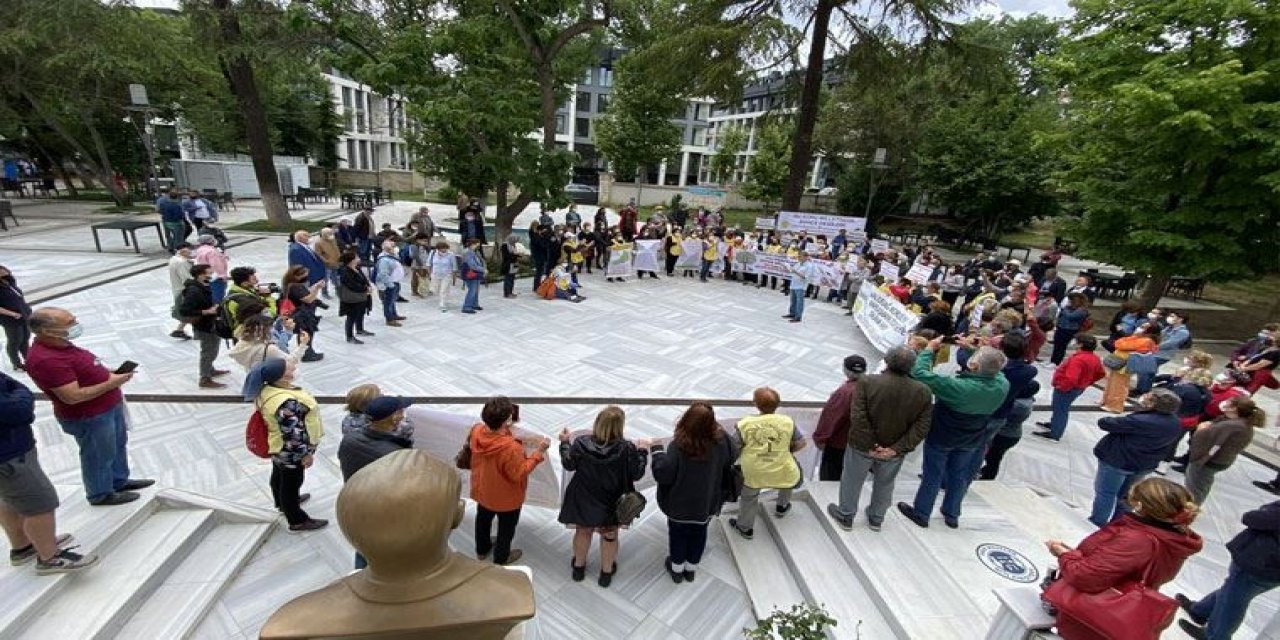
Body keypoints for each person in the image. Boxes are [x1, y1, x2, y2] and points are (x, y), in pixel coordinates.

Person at [1044, 478, 1202, 640]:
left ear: (1140, 506)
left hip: (1094, 617)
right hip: (1122, 610)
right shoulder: (1175, 536)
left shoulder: (1138, 539)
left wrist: (1063, 554)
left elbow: (1086, 577)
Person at [25, 308, 153, 506]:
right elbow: (72, 396)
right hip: (89, 415)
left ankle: (118, 480)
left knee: (116, 446)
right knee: (98, 453)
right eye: (69, 322)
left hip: (107, 407)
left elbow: (82, 371)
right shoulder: (46, 359)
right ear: (47, 331)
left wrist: (106, 373)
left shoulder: (62, 345)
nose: (75, 324)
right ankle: (100, 493)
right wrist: (113, 382)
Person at [897, 342, 1009, 530]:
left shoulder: (958, 386)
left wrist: (928, 351)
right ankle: (952, 514)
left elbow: (920, 373)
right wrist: (976, 351)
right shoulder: (1002, 384)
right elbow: (994, 367)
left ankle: (922, 513)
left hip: (943, 435)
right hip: (972, 437)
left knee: (933, 474)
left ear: (974, 366)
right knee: (959, 475)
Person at [827, 346, 933, 532]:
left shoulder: (867, 382)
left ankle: (846, 515)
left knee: (852, 480)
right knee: (885, 483)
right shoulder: (922, 390)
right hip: (893, 451)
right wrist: (896, 448)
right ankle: (877, 518)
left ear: (887, 360)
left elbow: (858, 415)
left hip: (862, 446)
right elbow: (921, 425)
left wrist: (871, 444)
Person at [0, 371, 96, 574]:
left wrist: (15, 391)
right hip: (9, 457)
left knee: (9, 500)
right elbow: (19, 409)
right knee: (40, 503)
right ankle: (49, 556)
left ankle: (23, 546)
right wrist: (21, 393)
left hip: (10, 451)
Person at [646, 402, 736, 584]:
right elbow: (732, 457)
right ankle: (690, 569)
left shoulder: (678, 446)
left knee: (678, 536)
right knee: (700, 533)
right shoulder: (722, 441)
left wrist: (656, 451)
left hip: (679, 505)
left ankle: (676, 569)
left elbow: (664, 474)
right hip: (708, 503)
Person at [557, 406, 646, 587]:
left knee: (583, 531)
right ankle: (606, 573)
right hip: (613, 500)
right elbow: (637, 474)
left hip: (584, 497)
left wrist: (565, 442)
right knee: (610, 535)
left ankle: (579, 568)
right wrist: (643, 451)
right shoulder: (627, 448)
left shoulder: (581, 443)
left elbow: (568, 464)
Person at [1178, 501, 1280, 640]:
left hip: (1260, 561)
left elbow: (1252, 518)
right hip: (1270, 568)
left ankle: (1216, 636)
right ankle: (1200, 611)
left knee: (1234, 598)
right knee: (1233, 589)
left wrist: (1268, 509)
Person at [246, 358, 326, 532]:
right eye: (290, 368)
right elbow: (293, 433)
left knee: (279, 475)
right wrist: (305, 454)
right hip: (289, 449)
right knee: (292, 482)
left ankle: (281, 502)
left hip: (277, 446)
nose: (294, 368)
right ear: (282, 376)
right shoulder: (286, 402)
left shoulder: (268, 389)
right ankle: (296, 519)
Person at [468, 396, 548, 565]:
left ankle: (481, 551)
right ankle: (501, 558)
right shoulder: (511, 448)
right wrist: (538, 453)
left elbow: (495, 440)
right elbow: (519, 473)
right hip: (507, 499)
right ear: (507, 420)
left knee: (482, 520)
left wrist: (508, 430)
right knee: (506, 529)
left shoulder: (476, 430)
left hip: (483, 490)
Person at [337, 395, 414, 568]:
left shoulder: (350, 439)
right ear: (395, 418)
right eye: (401, 411)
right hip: (384, 513)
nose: (404, 414)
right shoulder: (395, 454)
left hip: (355, 504)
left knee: (364, 550)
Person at [1089, 388, 1183, 527]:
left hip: (1119, 461)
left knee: (1106, 493)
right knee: (1127, 497)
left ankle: (1097, 521)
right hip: (1144, 464)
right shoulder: (1175, 422)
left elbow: (1106, 423)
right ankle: (1118, 525)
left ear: (1154, 404)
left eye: (1149, 397)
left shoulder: (1141, 420)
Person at [728, 388, 805, 539]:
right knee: (789, 475)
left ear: (755, 404)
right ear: (777, 404)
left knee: (749, 496)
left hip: (754, 470)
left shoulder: (745, 424)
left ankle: (745, 527)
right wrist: (787, 451)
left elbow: (734, 447)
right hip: (781, 466)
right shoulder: (787, 421)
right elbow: (801, 443)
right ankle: (782, 506)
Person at [1183, 397, 1264, 504]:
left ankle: (1189, 508)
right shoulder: (1240, 423)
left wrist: (1201, 429)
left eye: (1229, 402)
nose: (1224, 403)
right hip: (1221, 460)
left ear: (1234, 409)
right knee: (1202, 484)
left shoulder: (1232, 425)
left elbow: (1206, 437)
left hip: (1209, 461)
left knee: (1195, 487)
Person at [1033, 334, 1106, 442]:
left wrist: (1062, 387)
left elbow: (1071, 378)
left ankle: (1055, 433)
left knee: (1060, 410)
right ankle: (1054, 424)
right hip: (1078, 388)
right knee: (1060, 408)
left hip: (1067, 389)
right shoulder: (1094, 358)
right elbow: (1101, 373)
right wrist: (1087, 382)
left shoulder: (1078, 359)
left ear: (1080, 344)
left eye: (1076, 341)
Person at [812, 355, 867, 481]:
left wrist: (820, 438)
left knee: (831, 478)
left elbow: (832, 417)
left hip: (839, 444)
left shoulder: (845, 392)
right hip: (861, 444)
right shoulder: (871, 387)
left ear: (845, 370)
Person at [179, 264, 231, 388]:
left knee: (213, 349)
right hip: (204, 325)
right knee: (208, 351)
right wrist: (206, 311)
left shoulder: (203, 286)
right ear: (200, 275)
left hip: (210, 323)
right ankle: (205, 377)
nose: (211, 275)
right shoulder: (193, 290)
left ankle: (210, 369)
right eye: (208, 273)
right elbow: (184, 310)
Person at [1099, 324, 1159, 413]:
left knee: (1119, 386)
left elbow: (1121, 345)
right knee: (1111, 383)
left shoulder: (1147, 340)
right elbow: (1119, 342)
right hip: (1121, 363)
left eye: (1143, 327)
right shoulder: (1138, 338)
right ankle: (1106, 401)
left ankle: (1115, 406)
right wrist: (1134, 336)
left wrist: (1132, 337)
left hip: (1126, 365)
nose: (1139, 328)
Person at [279, 265, 326, 362]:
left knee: (305, 333)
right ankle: (307, 354)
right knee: (306, 333)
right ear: (297, 276)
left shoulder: (292, 285)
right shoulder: (295, 286)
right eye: (304, 275)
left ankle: (307, 352)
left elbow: (306, 293)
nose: (306, 277)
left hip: (301, 313)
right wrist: (317, 289)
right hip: (302, 314)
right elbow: (308, 299)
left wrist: (316, 286)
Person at [228, 314, 309, 368]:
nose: (272, 330)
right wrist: (303, 344)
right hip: (273, 380)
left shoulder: (242, 342)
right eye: (270, 328)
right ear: (263, 331)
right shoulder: (269, 349)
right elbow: (292, 361)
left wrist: (287, 330)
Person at [336, 251, 376, 344]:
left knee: (361, 313)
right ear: (351, 260)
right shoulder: (345, 271)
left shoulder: (357, 267)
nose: (358, 258)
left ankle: (360, 329)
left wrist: (368, 286)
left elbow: (364, 279)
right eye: (356, 256)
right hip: (352, 298)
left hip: (361, 296)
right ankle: (349, 336)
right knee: (351, 316)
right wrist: (365, 289)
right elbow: (351, 284)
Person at [226, 266, 279, 334]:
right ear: (244, 283)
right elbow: (269, 315)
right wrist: (269, 298)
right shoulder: (243, 300)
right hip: (249, 336)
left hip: (251, 333)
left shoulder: (237, 290)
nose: (257, 281)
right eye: (254, 279)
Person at [1050, 293, 1091, 365]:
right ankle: (1052, 361)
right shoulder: (1069, 308)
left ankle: (1056, 362)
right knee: (1056, 345)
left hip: (1069, 330)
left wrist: (1064, 308)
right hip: (1061, 327)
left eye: (1070, 300)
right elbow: (1061, 316)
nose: (1068, 302)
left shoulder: (1082, 310)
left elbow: (1071, 316)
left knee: (1061, 347)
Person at [374, 240, 406, 326]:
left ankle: (394, 314)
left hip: (395, 282)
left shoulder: (392, 256)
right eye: (393, 246)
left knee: (392, 300)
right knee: (388, 302)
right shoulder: (384, 260)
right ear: (387, 249)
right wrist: (390, 285)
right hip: (389, 284)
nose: (395, 248)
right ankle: (389, 319)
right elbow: (383, 274)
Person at [165, 246, 194, 340]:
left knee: (190, 312)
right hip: (184, 291)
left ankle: (179, 330)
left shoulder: (174, 259)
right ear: (183, 251)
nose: (191, 252)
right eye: (189, 250)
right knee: (193, 311)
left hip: (177, 289)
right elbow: (187, 279)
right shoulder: (182, 262)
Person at [193, 234, 230, 303]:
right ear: (211, 241)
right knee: (218, 297)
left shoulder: (200, 250)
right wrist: (222, 277)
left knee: (210, 294)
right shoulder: (212, 251)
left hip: (205, 276)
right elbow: (216, 265)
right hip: (216, 278)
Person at [783, 252, 818, 323]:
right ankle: (792, 313)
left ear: (805, 257)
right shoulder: (798, 263)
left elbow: (806, 277)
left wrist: (795, 272)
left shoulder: (809, 266)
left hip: (801, 286)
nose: (799, 258)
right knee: (793, 300)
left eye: (800, 256)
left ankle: (798, 317)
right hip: (794, 284)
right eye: (799, 256)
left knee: (799, 302)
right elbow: (792, 270)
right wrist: (788, 268)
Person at [156, 189, 189, 254]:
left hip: (166, 221)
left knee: (168, 235)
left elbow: (158, 210)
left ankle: (170, 247)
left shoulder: (163, 202)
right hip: (177, 222)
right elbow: (180, 214)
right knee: (178, 236)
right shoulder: (177, 205)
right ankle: (178, 248)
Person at [428, 240, 457, 312]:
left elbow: (454, 266)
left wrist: (454, 278)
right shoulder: (433, 253)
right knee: (435, 290)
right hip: (435, 274)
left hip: (446, 275)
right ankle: (441, 298)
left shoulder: (451, 254)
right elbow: (428, 264)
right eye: (443, 248)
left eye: (446, 248)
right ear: (438, 248)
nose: (445, 250)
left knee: (443, 290)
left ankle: (442, 304)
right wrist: (429, 274)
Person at [314, 227, 342, 300]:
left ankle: (338, 291)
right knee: (325, 280)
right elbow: (318, 254)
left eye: (332, 233)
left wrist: (339, 258)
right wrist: (326, 261)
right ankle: (324, 293)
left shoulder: (332, 240)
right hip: (327, 265)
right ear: (324, 234)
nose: (332, 235)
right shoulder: (318, 243)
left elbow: (336, 249)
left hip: (335, 262)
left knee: (336, 278)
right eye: (329, 233)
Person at [461, 238, 486, 314]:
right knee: (472, 290)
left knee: (475, 290)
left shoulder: (473, 252)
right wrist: (483, 270)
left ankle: (474, 304)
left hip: (475, 273)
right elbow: (472, 265)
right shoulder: (468, 252)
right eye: (477, 244)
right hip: (471, 273)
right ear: (472, 244)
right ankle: (467, 307)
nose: (478, 246)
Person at [499, 234, 520, 299]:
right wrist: (515, 255)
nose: (515, 242)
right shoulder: (505, 245)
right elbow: (506, 256)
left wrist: (517, 255)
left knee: (512, 279)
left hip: (514, 264)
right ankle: (507, 293)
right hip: (508, 264)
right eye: (514, 240)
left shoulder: (513, 245)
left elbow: (513, 254)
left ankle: (510, 292)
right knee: (508, 279)